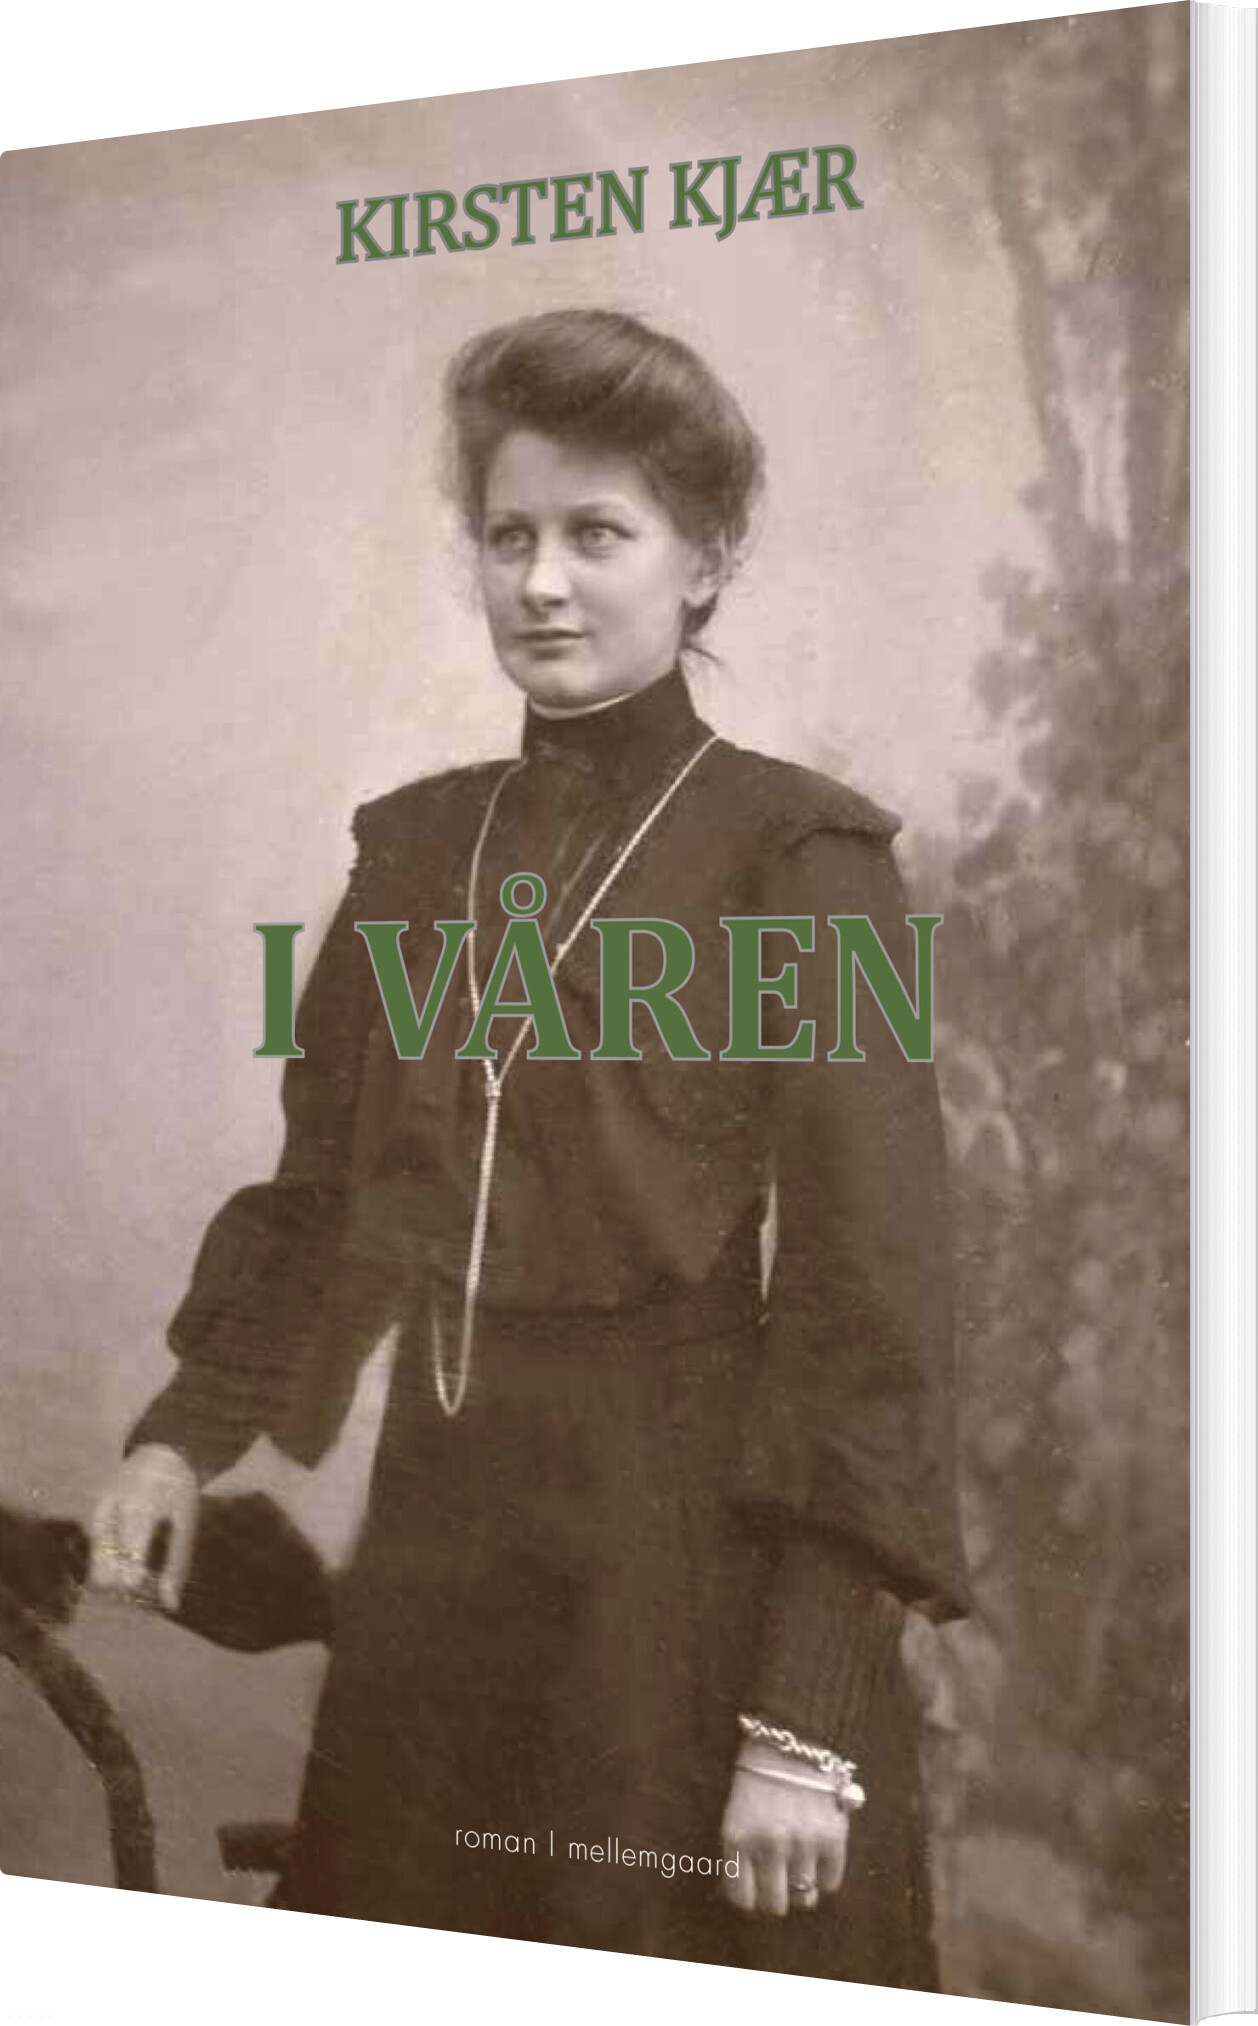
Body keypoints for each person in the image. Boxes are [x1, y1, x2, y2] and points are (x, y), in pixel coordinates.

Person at [88, 308, 968, 1982]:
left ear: (705, 562)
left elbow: (871, 1309)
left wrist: (802, 1719)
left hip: (673, 1590)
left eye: (597, 535)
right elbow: (321, 1200)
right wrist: (177, 1441)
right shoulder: (415, 852)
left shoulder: (799, 858)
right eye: (509, 537)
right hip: (434, 1572)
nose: (542, 583)